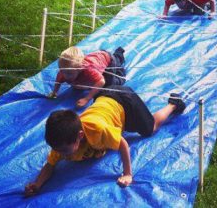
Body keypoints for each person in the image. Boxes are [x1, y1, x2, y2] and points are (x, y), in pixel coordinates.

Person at [24, 86, 187, 195]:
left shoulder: (98, 130)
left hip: (124, 101)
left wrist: (128, 174)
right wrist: (37, 184)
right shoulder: (61, 141)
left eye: (64, 151)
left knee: (149, 129)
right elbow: (50, 165)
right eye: (57, 150)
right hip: (103, 97)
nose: (60, 154)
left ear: (80, 136)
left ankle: (173, 104)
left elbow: (123, 144)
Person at [48, 46, 128, 107]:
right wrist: (54, 92)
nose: (65, 75)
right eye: (62, 71)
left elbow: (101, 81)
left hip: (108, 59)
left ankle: (119, 58)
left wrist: (87, 98)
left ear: (80, 68)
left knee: (109, 85)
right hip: (96, 59)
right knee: (79, 85)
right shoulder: (64, 71)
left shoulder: (88, 70)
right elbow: (58, 82)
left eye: (69, 73)